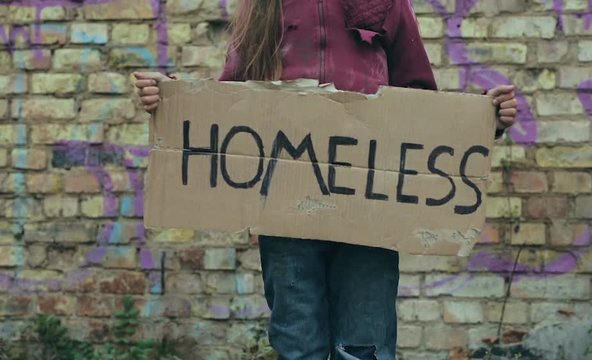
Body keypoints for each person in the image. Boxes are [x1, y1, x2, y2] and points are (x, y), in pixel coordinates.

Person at [134, 0, 518, 359]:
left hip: (370, 213)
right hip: (285, 213)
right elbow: (228, 103)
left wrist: (484, 122)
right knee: (297, 343)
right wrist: (168, 97)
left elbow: (421, 103)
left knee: (364, 345)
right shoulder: (263, 5)